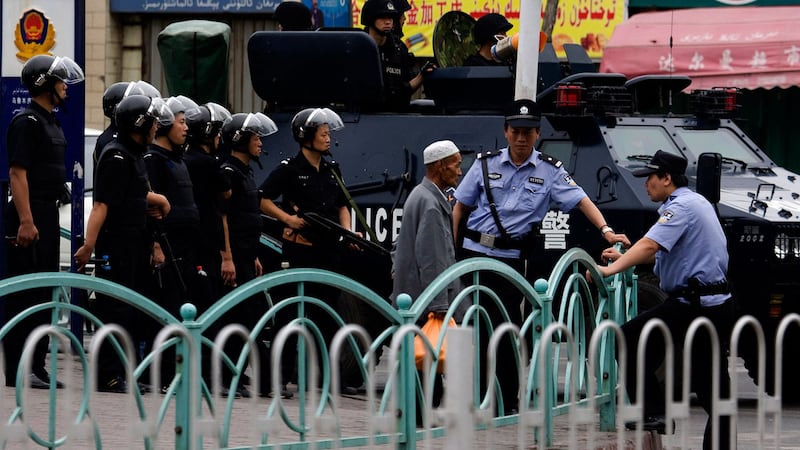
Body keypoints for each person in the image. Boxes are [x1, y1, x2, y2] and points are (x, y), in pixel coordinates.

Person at [452, 98, 630, 414]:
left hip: (509, 260)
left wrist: (606, 231)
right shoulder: (484, 165)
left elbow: (581, 200)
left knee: (508, 327)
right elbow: (460, 208)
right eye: (516, 131)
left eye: (528, 132)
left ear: (537, 134)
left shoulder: (549, 171)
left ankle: (505, 401)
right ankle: (473, 398)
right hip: (472, 253)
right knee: (473, 325)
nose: (521, 138)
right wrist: (452, 254)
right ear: (506, 132)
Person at [589, 150, 734, 450]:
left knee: (627, 339)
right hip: (708, 303)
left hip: (695, 306)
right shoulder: (694, 203)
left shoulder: (680, 207)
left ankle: (654, 412)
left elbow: (650, 244)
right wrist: (625, 257)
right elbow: (663, 255)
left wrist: (608, 269)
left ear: (667, 178)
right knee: (713, 392)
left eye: (650, 178)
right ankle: (659, 413)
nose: (646, 185)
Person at [260, 107, 361, 395]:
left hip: (329, 252)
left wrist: (347, 230)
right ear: (306, 137)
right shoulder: (288, 170)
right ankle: (276, 382)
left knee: (328, 315)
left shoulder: (332, 169)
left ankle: (330, 379)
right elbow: (263, 199)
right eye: (323, 134)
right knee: (289, 314)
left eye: (329, 133)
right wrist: (289, 220)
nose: (328, 139)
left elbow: (342, 204)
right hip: (299, 252)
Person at [75, 94, 172, 393]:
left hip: (135, 243)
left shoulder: (134, 155)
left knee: (129, 311)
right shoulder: (116, 156)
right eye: (153, 122)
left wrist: (156, 205)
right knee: (114, 311)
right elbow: (102, 205)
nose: (157, 127)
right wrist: (88, 246)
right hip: (116, 246)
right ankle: (108, 376)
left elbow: (137, 195)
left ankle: (123, 372)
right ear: (140, 124)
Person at [3, 54, 84, 390]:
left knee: (43, 296)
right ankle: (19, 369)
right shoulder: (27, 122)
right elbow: (17, 173)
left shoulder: (51, 121)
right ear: (44, 84)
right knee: (24, 296)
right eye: (60, 80)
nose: (66, 86)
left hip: (47, 213)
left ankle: (37, 365)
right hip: (30, 214)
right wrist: (26, 220)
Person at [216, 112, 278, 398]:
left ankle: (240, 375)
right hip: (234, 258)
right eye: (255, 137)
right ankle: (229, 376)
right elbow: (224, 218)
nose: (260, 143)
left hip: (246, 256)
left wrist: (252, 255)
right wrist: (227, 256)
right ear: (239, 139)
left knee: (250, 317)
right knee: (238, 318)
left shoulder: (245, 172)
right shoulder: (228, 173)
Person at [143, 96, 200, 391]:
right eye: (181, 121)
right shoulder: (153, 159)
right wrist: (157, 244)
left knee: (181, 309)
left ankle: (176, 372)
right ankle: (160, 375)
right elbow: (151, 209)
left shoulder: (177, 160)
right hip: (167, 246)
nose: (186, 127)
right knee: (164, 310)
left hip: (185, 247)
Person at [183, 102, 232, 308]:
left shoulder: (183, 159)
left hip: (190, 237)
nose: (220, 138)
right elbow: (227, 192)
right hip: (208, 239)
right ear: (208, 132)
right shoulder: (208, 163)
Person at [361, 0, 428, 111]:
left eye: (391, 18)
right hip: (365, 117)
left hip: (396, 116)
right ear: (370, 19)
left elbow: (407, 87)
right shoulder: (359, 48)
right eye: (383, 17)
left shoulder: (399, 49)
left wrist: (422, 75)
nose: (388, 22)